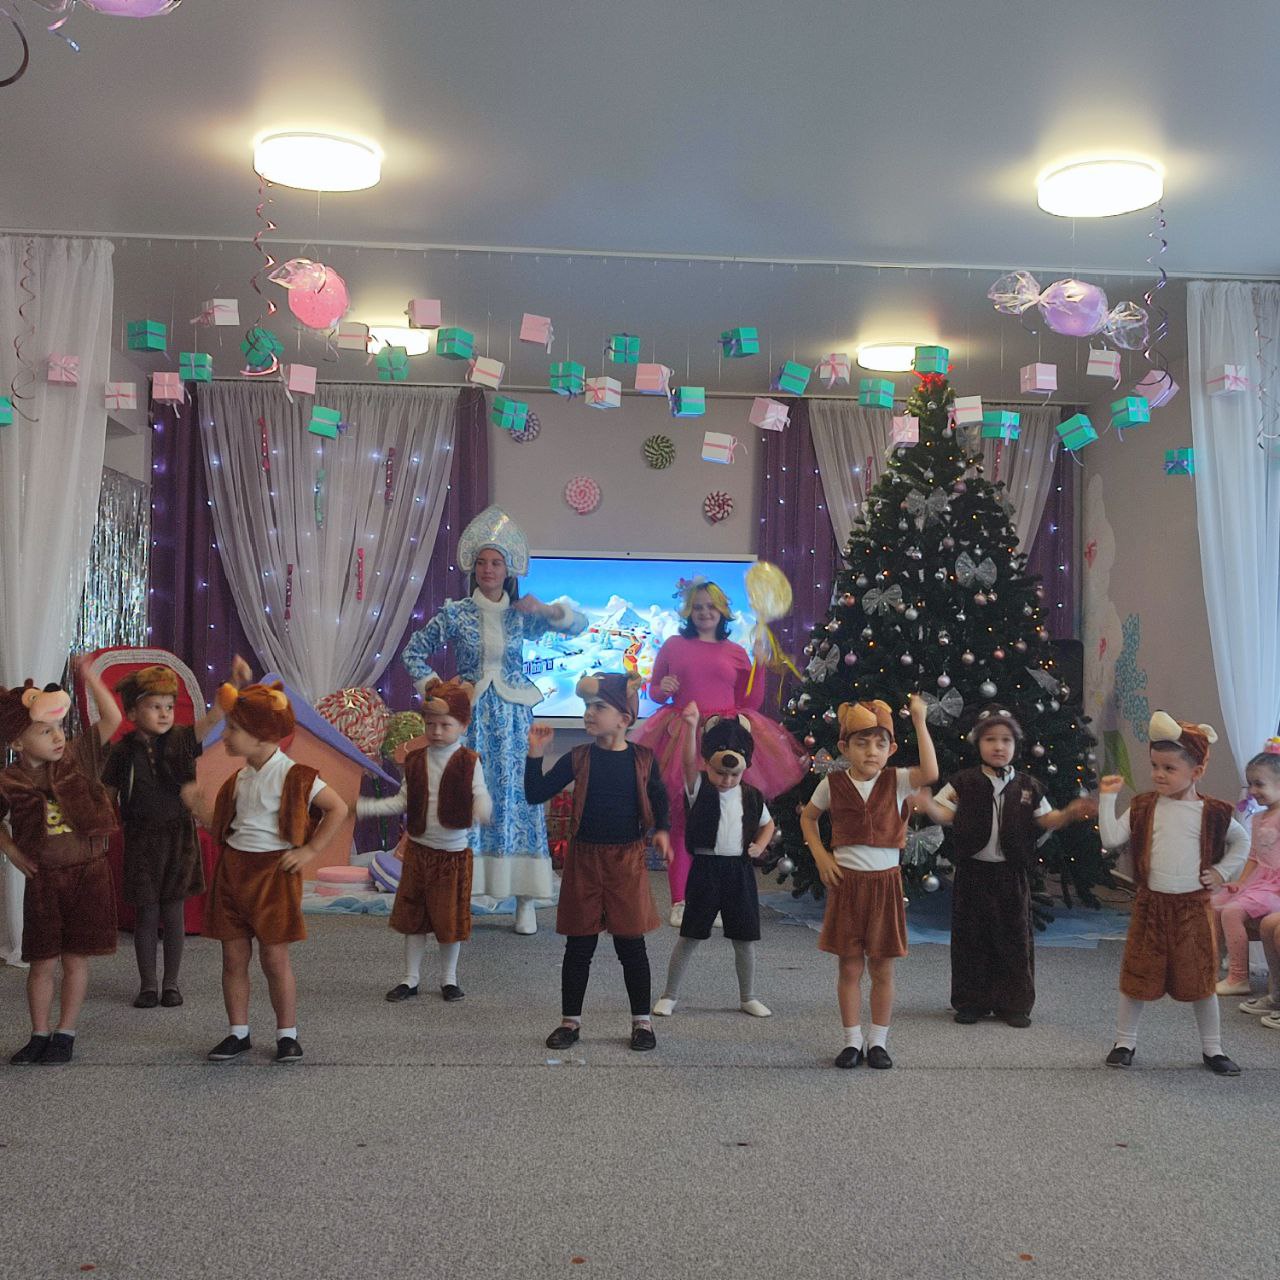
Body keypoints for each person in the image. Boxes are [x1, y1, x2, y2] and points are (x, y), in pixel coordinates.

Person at [402, 506, 585, 935]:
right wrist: (438, 690)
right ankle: (463, 893)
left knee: (520, 796)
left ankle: (524, 899)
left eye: (496, 563)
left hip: (514, 718)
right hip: (470, 718)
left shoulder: (523, 612)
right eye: (482, 562)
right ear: (473, 567)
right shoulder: (457, 613)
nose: (488, 569)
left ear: (508, 569)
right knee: (466, 794)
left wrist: (549, 610)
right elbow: (413, 651)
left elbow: (579, 626)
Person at [186, 681, 348, 1064]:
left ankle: (286, 1034)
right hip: (233, 874)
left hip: (272, 877)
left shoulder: (294, 774)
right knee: (233, 959)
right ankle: (238, 1032)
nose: (226, 736)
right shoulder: (240, 778)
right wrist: (199, 808)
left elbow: (337, 808)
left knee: (274, 960)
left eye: (233, 729)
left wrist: (310, 850)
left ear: (260, 736)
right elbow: (225, 826)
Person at [633, 578, 806, 927]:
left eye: (711, 606)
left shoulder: (736, 651)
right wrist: (661, 687)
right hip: (684, 732)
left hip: (724, 736)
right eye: (697, 607)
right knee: (682, 818)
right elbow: (655, 693)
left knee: (727, 818)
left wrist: (759, 667)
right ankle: (680, 901)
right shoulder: (674, 645)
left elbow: (750, 700)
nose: (704, 612)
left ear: (722, 611)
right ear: (688, 611)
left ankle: (718, 900)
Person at [912, 705, 1097, 1027]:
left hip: (1011, 874)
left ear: (1016, 745)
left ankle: (1014, 1003)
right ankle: (971, 1001)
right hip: (972, 872)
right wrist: (928, 804)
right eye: (990, 740)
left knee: (1014, 937)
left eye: (1006, 740)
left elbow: (1047, 819)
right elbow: (945, 814)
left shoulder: (1028, 786)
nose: (998, 746)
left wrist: (1068, 813)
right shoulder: (964, 782)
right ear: (978, 744)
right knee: (970, 938)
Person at [525, 673, 672, 1051]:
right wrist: (535, 754)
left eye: (598, 707)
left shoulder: (643, 759)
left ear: (624, 718)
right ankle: (570, 1022)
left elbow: (659, 797)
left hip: (626, 862)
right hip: (584, 861)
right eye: (587, 706)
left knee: (631, 946)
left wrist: (662, 830)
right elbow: (535, 793)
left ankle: (642, 1022)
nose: (589, 713)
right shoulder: (578, 757)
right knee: (579, 947)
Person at [1098, 710, 1249, 1076]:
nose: (1158, 774)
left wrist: (1221, 872)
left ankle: (1213, 1048)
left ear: (1196, 771)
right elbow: (1111, 839)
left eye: (1169, 768)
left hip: (1192, 908)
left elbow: (1242, 841)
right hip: (1150, 906)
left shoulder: (1213, 812)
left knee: (1201, 980)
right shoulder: (1143, 806)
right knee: (1136, 977)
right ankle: (1124, 1042)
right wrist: (1106, 799)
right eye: (1154, 766)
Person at [102, 656, 252, 1008]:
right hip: (140, 840)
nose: (164, 713)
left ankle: (171, 983)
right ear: (133, 712)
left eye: (169, 706)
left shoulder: (183, 738)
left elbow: (216, 716)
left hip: (179, 840)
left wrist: (234, 683)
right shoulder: (122, 751)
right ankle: (148, 985)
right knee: (146, 914)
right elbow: (107, 795)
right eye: (155, 706)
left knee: (173, 913)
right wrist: (101, 829)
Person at [801, 696, 937, 1070]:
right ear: (844, 748)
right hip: (847, 888)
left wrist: (920, 721)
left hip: (885, 889)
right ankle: (851, 1041)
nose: (871, 752)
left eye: (880, 744)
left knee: (882, 969)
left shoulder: (898, 781)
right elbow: (808, 819)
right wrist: (821, 856)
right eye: (861, 743)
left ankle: (877, 1040)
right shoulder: (832, 784)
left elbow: (930, 772)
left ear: (891, 750)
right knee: (849, 968)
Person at [0, 661, 122, 1065]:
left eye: (58, 728)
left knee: (75, 960)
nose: (57, 736)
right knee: (42, 963)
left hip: (88, 875)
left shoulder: (77, 757)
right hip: (44, 881)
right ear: (18, 742)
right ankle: (39, 1033)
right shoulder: (10, 780)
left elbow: (112, 718)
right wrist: (12, 850)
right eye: (44, 731)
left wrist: (90, 678)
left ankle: (65, 1033)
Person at [357, 680, 492, 1005]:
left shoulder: (469, 760)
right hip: (418, 853)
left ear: (463, 725)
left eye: (445, 725)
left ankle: (449, 978)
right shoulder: (416, 760)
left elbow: (480, 793)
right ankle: (410, 978)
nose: (436, 731)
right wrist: (366, 807)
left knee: (449, 922)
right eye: (430, 724)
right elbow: (402, 801)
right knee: (413, 920)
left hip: (452, 855)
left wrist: (482, 807)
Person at [652, 702, 775, 1020]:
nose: (727, 780)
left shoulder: (752, 795)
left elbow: (768, 824)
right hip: (705, 871)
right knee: (690, 936)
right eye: (720, 772)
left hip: (739, 872)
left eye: (734, 774)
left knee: (744, 939)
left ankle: (748, 996)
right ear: (707, 763)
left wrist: (760, 845)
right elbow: (686, 762)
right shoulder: (698, 788)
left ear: (745, 766)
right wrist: (691, 727)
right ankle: (669, 995)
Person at [1210, 743, 1280, 995]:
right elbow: (1254, 856)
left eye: (1259, 784)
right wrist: (1241, 882)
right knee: (1215, 904)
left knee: (1231, 912)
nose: (1252, 791)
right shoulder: (1259, 817)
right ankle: (1212, 968)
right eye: (1250, 784)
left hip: (1275, 889)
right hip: (1259, 883)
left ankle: (1238, 976)